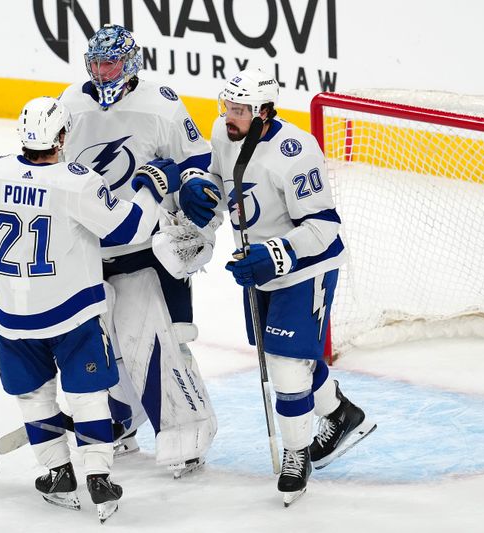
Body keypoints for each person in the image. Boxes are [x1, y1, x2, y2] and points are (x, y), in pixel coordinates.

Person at [0, 96, 180, 522]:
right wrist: (151, 185)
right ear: (62, 136)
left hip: (12, 319)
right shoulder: (77, 180)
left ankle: (57, 472)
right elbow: (130, 229)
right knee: (88, 394)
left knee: (34, 394)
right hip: (70, 314)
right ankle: (97, 474)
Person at [179, 68, 377, 505]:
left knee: (287, 365)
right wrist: (199, 194)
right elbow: (221, 182)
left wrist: (276, 253)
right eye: (226, 106)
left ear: (265, 112)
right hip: (258, 266)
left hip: (305, 267)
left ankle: (297, 454)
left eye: (241, 110)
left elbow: (324, 227)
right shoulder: (222, 131)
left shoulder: (296, 151)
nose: (230, 116)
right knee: (281, 353)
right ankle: (342, 415)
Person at [58, 23, 218, 477]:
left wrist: (188, 191)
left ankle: (187, 430)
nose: (102, 73)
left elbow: (198, 163)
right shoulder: (70, 104)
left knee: (153, 338)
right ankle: (120, 419)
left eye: (110, 64)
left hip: (144, 243)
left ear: (130, 65)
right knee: (100, 340)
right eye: (95, 64)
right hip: (89, 246)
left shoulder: (160, 105)